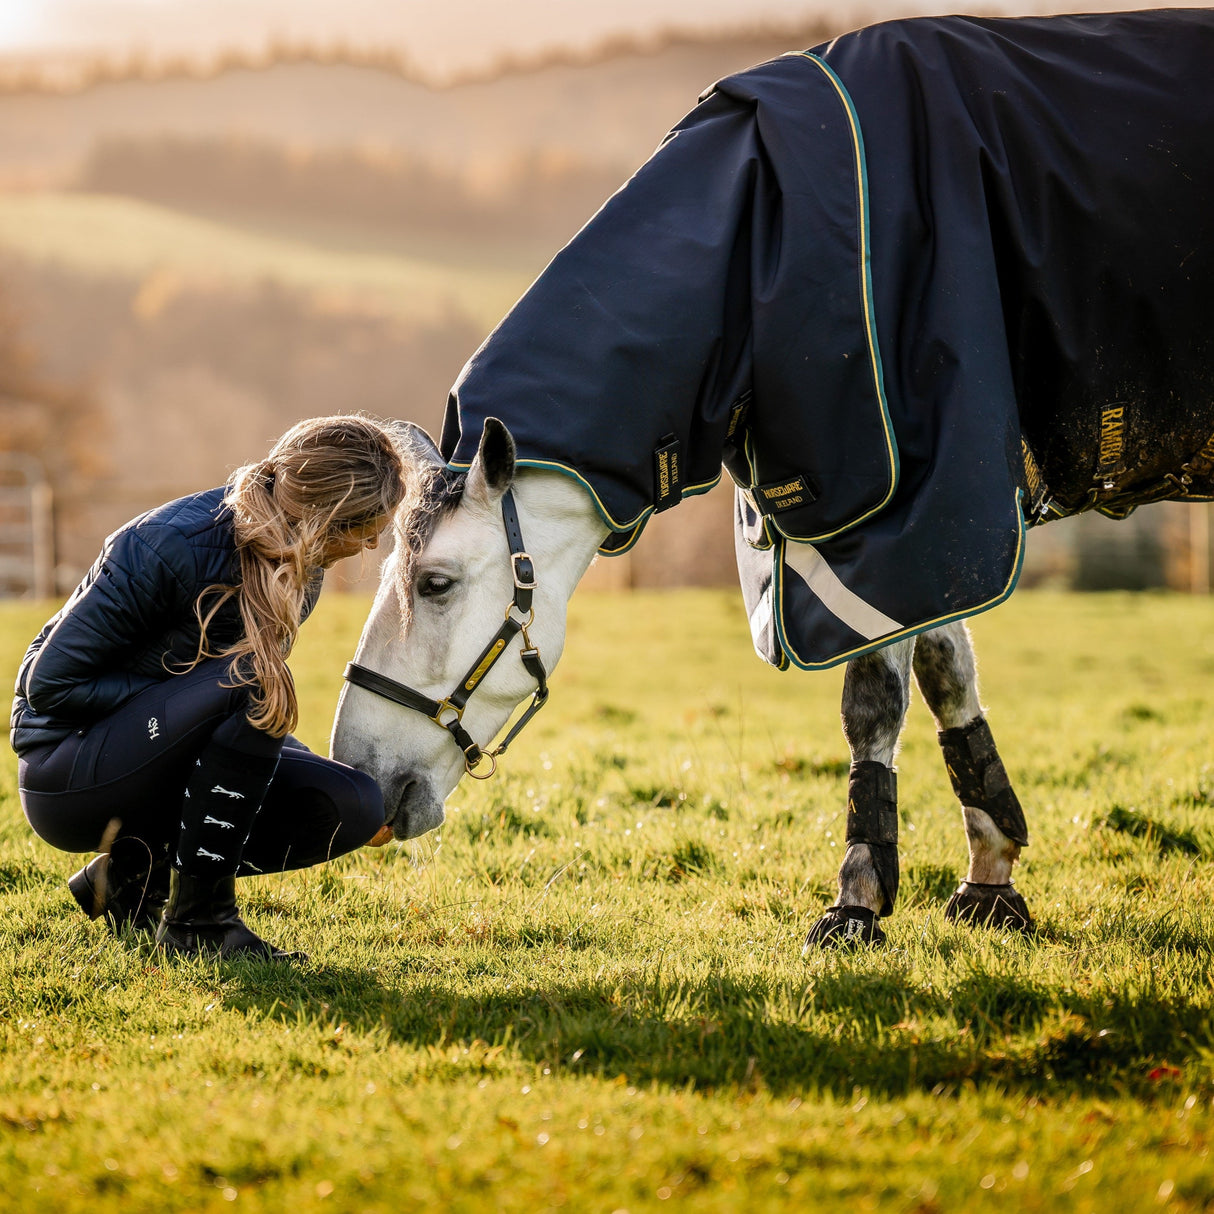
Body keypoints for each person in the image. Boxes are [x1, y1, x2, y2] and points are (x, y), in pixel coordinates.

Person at [9, 414, 407, 961]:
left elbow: (230, 729)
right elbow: (48, 684)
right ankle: (199, 924)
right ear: (324, 517)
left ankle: (130, 875)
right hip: (69, 769)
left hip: (159, 757)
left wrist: (318, 769)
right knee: (254, 681)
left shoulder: (299, 563)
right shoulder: (170, 544)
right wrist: (186, 700)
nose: (371, 545)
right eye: (365, 528)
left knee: (354, 803)